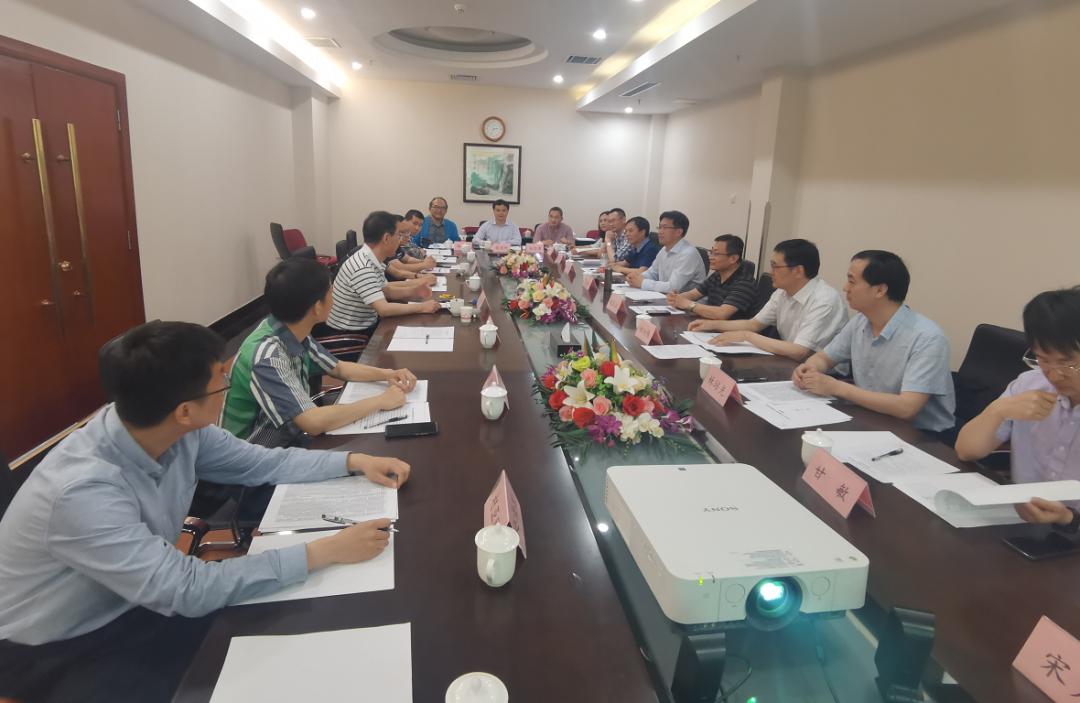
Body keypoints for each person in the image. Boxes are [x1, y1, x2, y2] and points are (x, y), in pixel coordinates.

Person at [0, 321, 409, 703]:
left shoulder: (175, 429)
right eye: (222, 383)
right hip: (59, 645)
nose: (228, 389)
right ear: (185, 410)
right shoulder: (82, 491)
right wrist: (325, 551)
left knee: (279, 628)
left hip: (137, 599)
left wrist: (353, 461)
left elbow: (262, 463)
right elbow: (185, 588)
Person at [222, 257, 419, 447]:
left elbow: (339, 368)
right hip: (255, 457)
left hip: (288, 436)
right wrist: (381, 401)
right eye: (331, 293)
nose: (334, 299)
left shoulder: (290, 329)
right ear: (317, 307)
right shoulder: (267, 358)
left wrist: (388, 374)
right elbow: (313, 422)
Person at [791, 251, 955, 433]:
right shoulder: (860, 322)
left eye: (852, 281)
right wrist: (810, 369)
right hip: (871, 418)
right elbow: (824, 358)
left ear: (880, 290)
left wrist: (837, 387)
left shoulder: (928, 338)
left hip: (922, 435)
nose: (845, 288)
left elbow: (907, 408)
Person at [956, 288, 1080, 527]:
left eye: (1066, 365)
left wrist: (1068, 519)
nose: (1054, 375)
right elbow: (966, 451)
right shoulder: (1029, 384)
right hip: (1022, 521)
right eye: (1043, 360)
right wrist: (998, 409)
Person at [689, 239, 847, 361]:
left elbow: (799, 351)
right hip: (790, 364)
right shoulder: (782, 292)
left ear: (798, 271)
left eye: (775, 266)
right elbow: (753, 324)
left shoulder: (824, 301)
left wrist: (746, 336)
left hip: (825, 376)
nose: (770, 272)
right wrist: (712, 324)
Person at [323, 211, 441, 339]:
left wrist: (414, 290)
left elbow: (387, 290)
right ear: (386, 238)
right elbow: (384, 309)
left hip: (365, 326)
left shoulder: (371, 257)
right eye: (398, 235)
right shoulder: (362, 266)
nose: (400, 240)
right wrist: (421, 307)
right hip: (349, 336)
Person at [666, 234, 757, 320]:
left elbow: (722, 314)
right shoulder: (717, 275)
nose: (710, 257)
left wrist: (689, 304)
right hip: (711, 324)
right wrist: (677, 298)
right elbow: (694, 294)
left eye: (716, 254)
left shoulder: (745, 283)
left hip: (732, 329)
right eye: (711, 252)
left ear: (733, 258)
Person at [626, 210, 707, 294]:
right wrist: (637, 277)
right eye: (660, 227)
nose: (660, 232)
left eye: (665, 227)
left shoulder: (688, 254)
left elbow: (673, 287)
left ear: (678, 232)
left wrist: (643, 282)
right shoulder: (664, 250)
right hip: (664, 297)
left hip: (686, 301)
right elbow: (652, 273)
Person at [385, 215, 437, 280]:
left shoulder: (397, 246)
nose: (407, 235)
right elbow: (400, 269)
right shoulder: (387, 248)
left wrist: (423, 262)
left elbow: (408, 259)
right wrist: (424, 265)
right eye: (402, 232)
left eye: (407, 232)